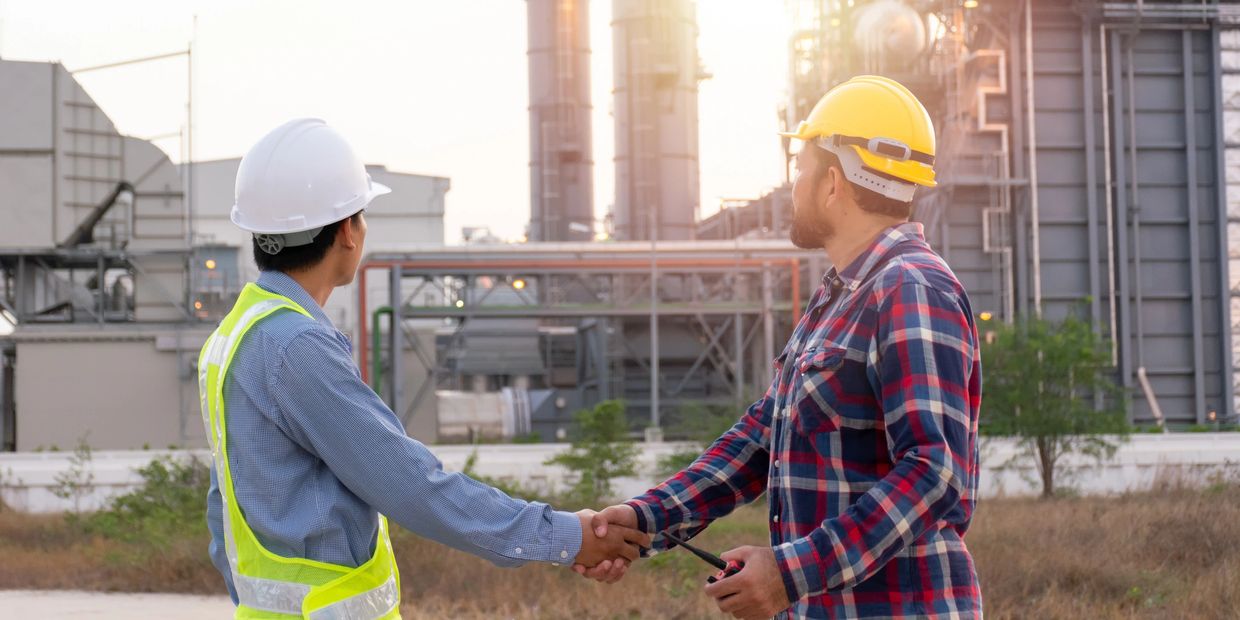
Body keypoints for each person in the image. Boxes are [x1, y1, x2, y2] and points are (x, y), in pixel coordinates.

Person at [201, 118, 648, 619]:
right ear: (348, 230)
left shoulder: (236, 334)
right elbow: (410, 485)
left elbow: (223, 518)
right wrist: (563, 536)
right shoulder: (297, 346)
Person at [578, 76, 984, 619]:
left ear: (833, 183)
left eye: (799, 168)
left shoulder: (909, 288)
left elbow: (937, 471)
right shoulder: (839, 297)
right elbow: (762, 437)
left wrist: (792, 574)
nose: (792, 186)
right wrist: (643, 519)